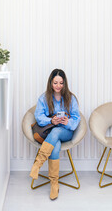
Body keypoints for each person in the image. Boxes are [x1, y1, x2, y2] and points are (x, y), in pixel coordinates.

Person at [30, 68, 80, 200]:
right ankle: (54, 184)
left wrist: (67, 122)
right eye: (55, 83)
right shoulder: (44, 97)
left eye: (61, 83)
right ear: (50, 83)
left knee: (57, 131)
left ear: (65, 83)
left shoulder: (71, 98)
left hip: (66, 131)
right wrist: (50, 120)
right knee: (55, 145)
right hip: (51, 134)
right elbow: (38, 116)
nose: (58, 86)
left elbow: (76, 118)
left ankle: (38, 164)